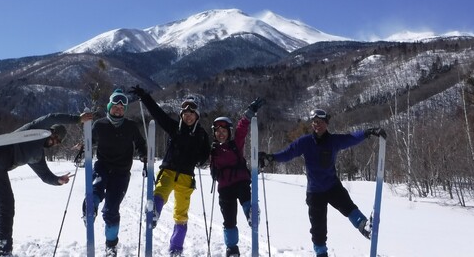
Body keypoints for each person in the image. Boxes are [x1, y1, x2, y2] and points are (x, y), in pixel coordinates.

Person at [0, 111, 93, 257]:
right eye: (55, 138)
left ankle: (2, 250)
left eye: (57, 142)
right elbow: (52, 117)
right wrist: (78, 119)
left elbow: (45, 176)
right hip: (0, 153)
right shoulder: (36, 129)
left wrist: (57, 180)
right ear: (51, 131)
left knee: (7, 207)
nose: (54, 142)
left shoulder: (37, 155)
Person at [259, 109, 386, 257]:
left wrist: (367, 132)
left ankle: (364, 226)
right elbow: (288, 153)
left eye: (319, 122)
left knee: (348, 207)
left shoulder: (333, 141)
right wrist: (271, 157)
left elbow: (351, 138)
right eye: (314, 122)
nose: (316, 125)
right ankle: (321, 254)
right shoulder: (305, 142)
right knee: (318, 229)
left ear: (326, 123)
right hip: (315, 192)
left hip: (332, 186)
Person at [130, 85, 210, 256]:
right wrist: (144, 96)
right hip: (168, 171)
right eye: (185, 114)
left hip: (186, 178)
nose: (188, 117)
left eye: (191, 114)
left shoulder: (202, 135)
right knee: (160, 191)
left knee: (181, 214)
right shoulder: (175, 128)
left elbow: (206, 153)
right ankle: (153, 213)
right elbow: (158, 114)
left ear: (197, 116)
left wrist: (202, 160)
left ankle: (176, 248)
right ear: (182, 116)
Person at [81, 89, 147, 256]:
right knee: (97, 187)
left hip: (122, 173)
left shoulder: (131, 126)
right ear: (109, 107)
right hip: (102, 167)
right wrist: (82, 150)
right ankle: (90, 208)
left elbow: (140, 143)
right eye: (115, 107)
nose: (118, 110)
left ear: (124, 110)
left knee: (111, 210)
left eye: (121, 108)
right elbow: (90, 142)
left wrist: (144, 154)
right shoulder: (100, 125)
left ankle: (111, 245)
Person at [210, 97, 265, 257]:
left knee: (245, 197)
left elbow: (242, 129)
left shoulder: (235, 144)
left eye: (224, 131)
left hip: (240, 181)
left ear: (228, 132)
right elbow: (211, 167)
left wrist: (249, 113)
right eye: (218, 131)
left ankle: (251, 213)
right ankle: (232, 248)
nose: (221, 134)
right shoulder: (213, 150)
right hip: (225, 188)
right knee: (229, 220)